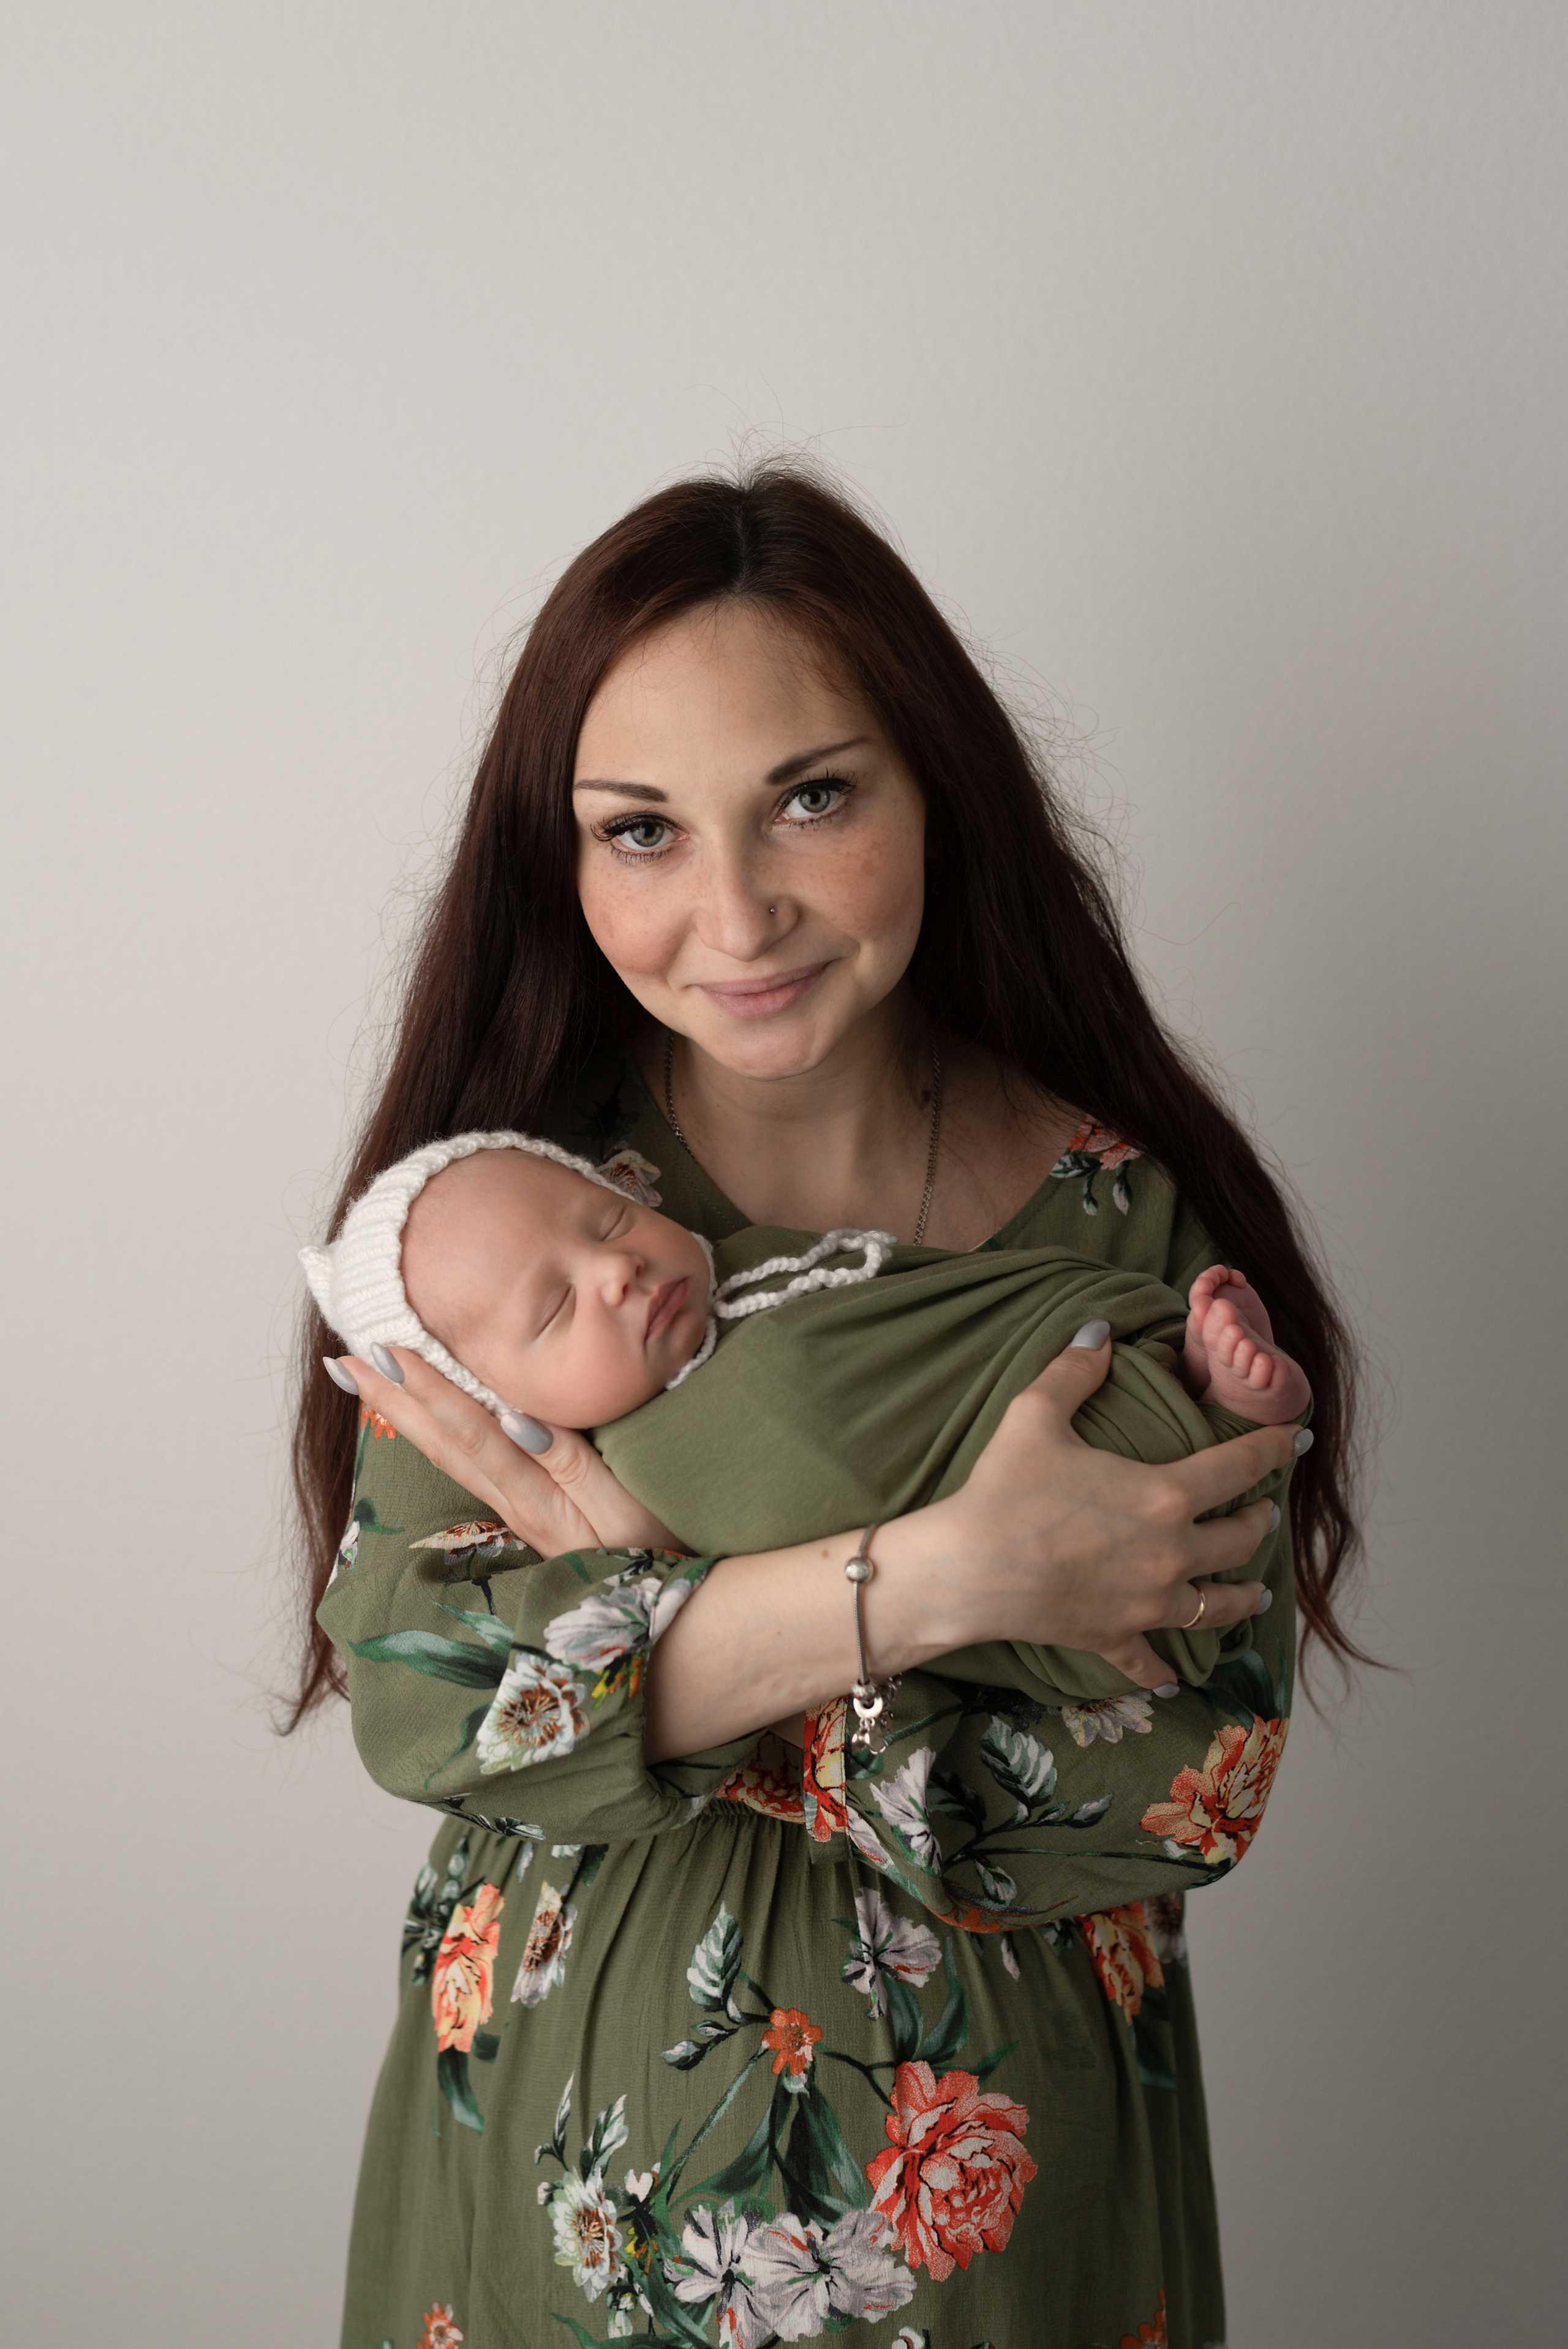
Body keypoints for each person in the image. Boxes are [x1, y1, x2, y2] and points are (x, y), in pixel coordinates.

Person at [288, 463, 1362, 2349]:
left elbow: (1177, 1787)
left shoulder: (1115, 1213)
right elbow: (425, 1691)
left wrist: (639, 1605)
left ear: (935, 783)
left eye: (810, 796)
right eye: (638, 832)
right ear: (563, 860)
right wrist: (943, 1584)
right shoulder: (511, 1231)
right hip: (568, 2162)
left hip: (998, 2192)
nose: (735, 910)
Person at [305, 1127, 1310, 1709]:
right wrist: (918, 1580)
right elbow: (423, 1708)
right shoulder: (657, 1455)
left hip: (1091, 1397)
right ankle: (1201, 1408)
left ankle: (1199, 1391)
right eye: (557, 1309)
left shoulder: (755, 1267)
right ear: (502, 1406)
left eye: (607, 1218)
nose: (617, 1269)